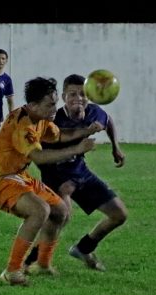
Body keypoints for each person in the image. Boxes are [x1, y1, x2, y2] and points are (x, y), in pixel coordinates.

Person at [0, 77, 103, 286]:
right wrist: (77, 149)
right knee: (39, 211)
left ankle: (42, 264)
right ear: (33, 105)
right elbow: (39, 157)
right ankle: (12, 271)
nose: (55, 109)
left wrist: (86, 130)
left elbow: (58, 135)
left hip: (19, 176)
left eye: (55, 103)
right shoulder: (22, 124)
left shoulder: (41, 118)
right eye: (50, 104)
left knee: (61, 211)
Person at [26, 74, 127, 273]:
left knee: (119, 214)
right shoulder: (53, 118)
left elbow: (108, 120)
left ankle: (84, 248)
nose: (78, 98)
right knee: (61, 215)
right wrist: (77, 145)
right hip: (55, 175)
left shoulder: (94, 112)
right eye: (72, 94)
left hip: (80, 172)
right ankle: (30, 262)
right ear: (64, 97)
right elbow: (40, 155)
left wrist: (116, 147)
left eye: (83, 94)